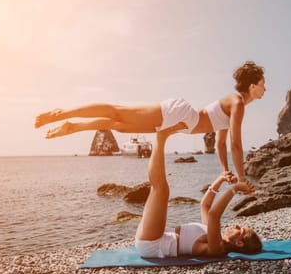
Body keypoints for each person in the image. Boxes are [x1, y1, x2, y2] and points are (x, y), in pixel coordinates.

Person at [35, 61, 266, 184]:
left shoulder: (235, 105)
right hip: (182, 116)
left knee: (119, 125)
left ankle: (74, 126)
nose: (266, 88)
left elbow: (220, 143)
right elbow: (236, 145)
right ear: (252, 86)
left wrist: (226, 171)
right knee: (118, 112)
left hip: (182, 124)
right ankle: (61, 113)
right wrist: (242, 178)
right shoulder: (237, 103)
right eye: (263, 84)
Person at [135, 128, 262, 258]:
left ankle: (160, 136)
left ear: (239, 243)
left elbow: (214, 215)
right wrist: (220, 179)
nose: (236, 225)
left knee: (161, 189)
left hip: (153, 244)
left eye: (240, 230)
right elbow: (205, 205)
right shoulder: (213, 233)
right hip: (155, 236)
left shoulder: (217, 247)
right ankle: (160, 136)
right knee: (156, 187)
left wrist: (235, 189)